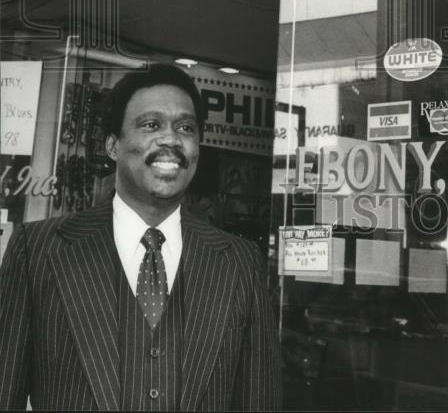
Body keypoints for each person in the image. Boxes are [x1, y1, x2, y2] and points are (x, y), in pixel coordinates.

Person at [0, 62, 282, 411]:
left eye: (186, 127)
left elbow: (259, 402)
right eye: (151, 125)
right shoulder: (38, 250)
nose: (171, 139)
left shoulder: (240, 262)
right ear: (113, 146)